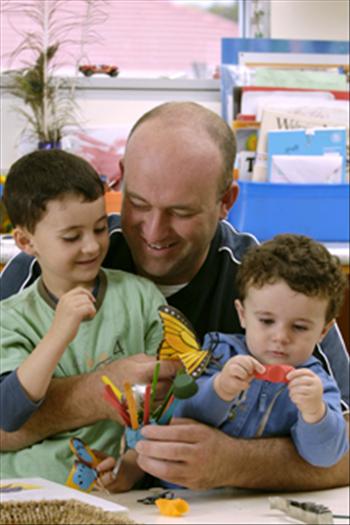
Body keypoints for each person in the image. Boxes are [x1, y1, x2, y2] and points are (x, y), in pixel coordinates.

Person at [0, 102, 349, 491]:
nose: (154, 230)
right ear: (120, 180)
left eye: (181, 212)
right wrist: (92, 394)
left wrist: (235, 462)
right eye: (139, 203)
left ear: (226, 203)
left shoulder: (274, 284)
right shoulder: (45, 269)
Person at [0, 149, 178, 486]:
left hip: (108, 494)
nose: (92, 247)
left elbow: (174, 400)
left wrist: (132, 465)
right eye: (71, 237)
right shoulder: (10, 318)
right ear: (26, 241)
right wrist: (58, 334)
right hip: (21, 493)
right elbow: (8, 414)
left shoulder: (140, 298)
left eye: (99, 229)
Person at [173, 234, 348, 468]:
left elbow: (325, 458)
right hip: (185, 496)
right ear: (242, 314)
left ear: (323, 332)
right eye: (266, 321)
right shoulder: (217, 355)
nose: (280, 337)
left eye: (299, 327)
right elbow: (179, 417)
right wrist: (219, 389)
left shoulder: (317, 385)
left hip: (259, 500)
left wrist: (316, 413)